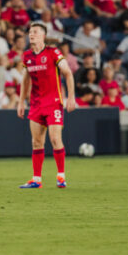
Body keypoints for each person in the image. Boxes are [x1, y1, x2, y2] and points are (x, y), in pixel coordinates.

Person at [18, 21, 76, 189]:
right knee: (37, 142)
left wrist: (71, 97)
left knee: (55, 139)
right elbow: (25, 79)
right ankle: (36, 179)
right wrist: (21, 102)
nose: (31, 34)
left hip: (53, 103)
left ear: (43, 35)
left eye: (35, 31)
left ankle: (61, 176)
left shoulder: (53, 52)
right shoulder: (27, 56)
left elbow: (68, 73)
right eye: (30, 32)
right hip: (36, 105)